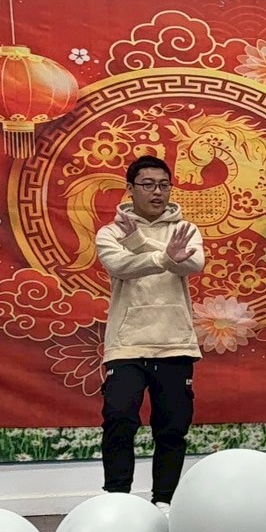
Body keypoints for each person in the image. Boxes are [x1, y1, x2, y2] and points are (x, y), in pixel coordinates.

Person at [95, 155, 204, 511]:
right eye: (148, 185)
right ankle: (117, 499)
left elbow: (193, 263)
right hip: (126, 344)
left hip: (175, 342)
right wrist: (162, 256)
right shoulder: (111, 232)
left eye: (163, 185)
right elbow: (120, 266)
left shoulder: (185, 229)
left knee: (172, 428)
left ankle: (164, 502)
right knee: (119, 420)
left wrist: (142, 243)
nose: (157, 192)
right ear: (130, 189)